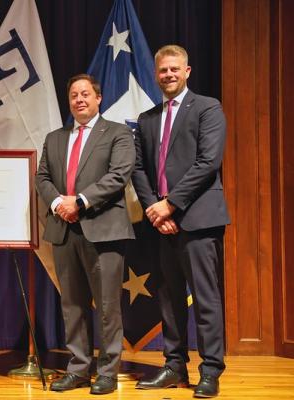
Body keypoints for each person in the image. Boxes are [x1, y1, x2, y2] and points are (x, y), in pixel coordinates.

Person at [131, 45, 229, 398]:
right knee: (169, 299)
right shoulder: (146, 119)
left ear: (187, 71)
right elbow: (138, 169)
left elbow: (208, 162)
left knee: (205, 298)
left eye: (175, 69)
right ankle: (173, 366)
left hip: (199, 220)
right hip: (161, 222)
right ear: (155, 75)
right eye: (163, 70)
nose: (169, 75)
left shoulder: (208, 108)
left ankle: (210, 370)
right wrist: (155, 211)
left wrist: (170, 205)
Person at [36, 74, 135, 395]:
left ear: (98, 98)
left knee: (107, 306)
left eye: (85, 94)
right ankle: (78, 368)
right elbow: (43, 177)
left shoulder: (118, 133)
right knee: (73, 305)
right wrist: (57, 203)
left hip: (104, 230)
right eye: (74, 95)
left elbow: (119, 175)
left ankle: (107, 371)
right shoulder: (54, 138)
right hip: (64, 230)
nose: (79, 99)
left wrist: (79, 201)